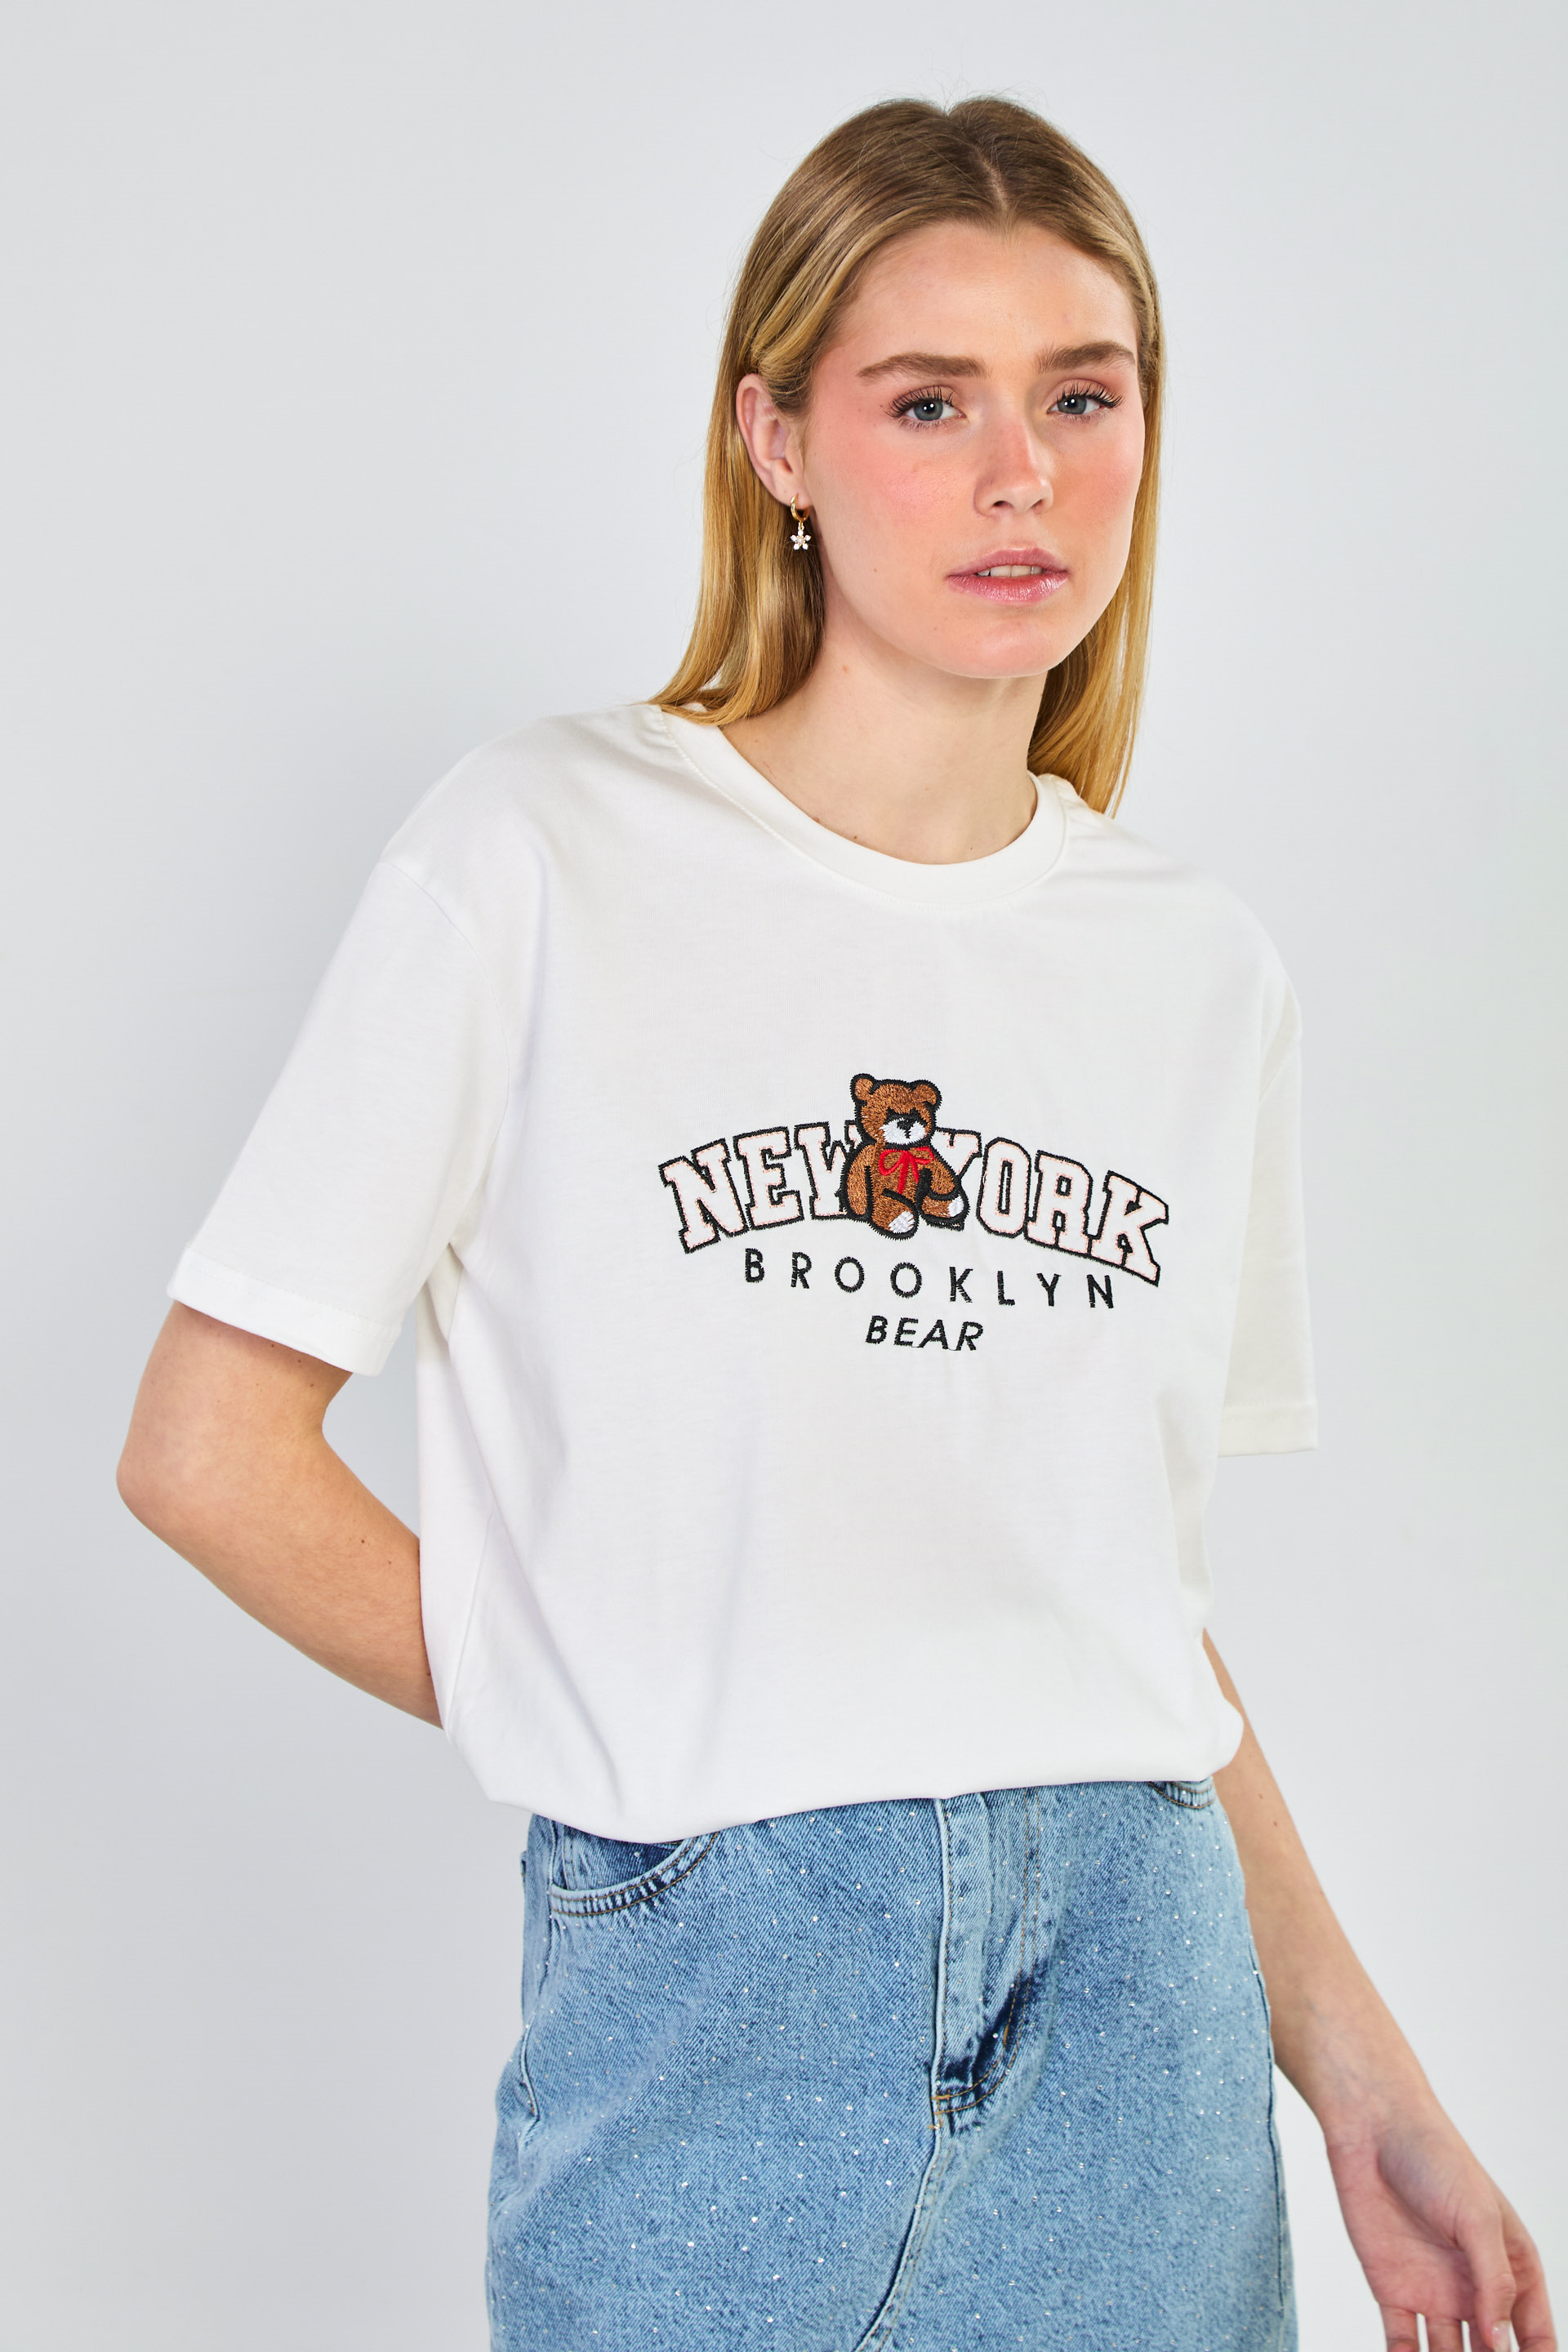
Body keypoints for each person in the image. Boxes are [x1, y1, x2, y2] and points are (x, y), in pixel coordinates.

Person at [117, 96, 1552, 2352]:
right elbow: (206, 1450)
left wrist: (1367, 2092)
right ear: (775, 437)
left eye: (1084, 396)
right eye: (929, 402)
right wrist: (613, 1728)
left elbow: (1135, 1618)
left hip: (1145, 2015)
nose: (1023, 476)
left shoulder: (1195, 969)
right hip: (720, 2005)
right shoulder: (542, 852)